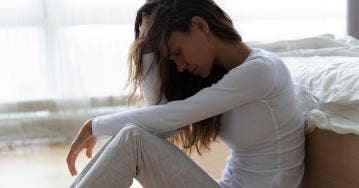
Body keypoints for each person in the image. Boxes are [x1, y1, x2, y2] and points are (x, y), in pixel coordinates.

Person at [66, 0, 306, 187]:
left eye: (178, 51)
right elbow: (159, 125)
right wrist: (148, 45)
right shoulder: (221, 75)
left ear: (200, 26)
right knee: (135, 138)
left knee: (133, 139)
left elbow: (172, 116)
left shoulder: (261, 71)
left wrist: (94, 126)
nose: (179, 65)